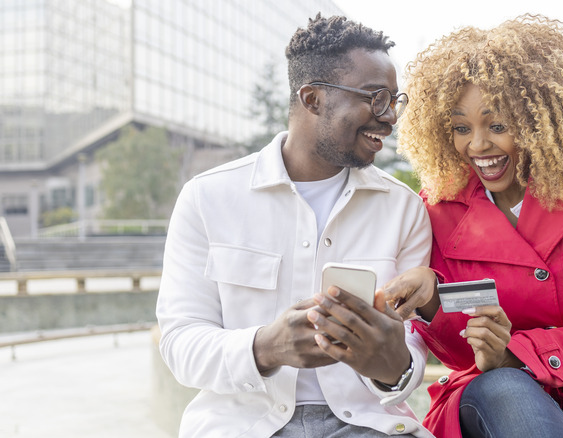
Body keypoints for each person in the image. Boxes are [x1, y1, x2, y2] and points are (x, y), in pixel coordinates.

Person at [382, 14, 563, 438]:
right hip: (489, 393)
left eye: (498, 125)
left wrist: (514, 352)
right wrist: (432, 303)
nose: (477, 145)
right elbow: (463, 356)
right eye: (462, 128)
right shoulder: (438, 206)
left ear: (539, 122)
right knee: (505, 388)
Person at [156, 14, 434, 438]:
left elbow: (410, 362)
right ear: (312, 98)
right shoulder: (207, 198)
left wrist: (391, 363)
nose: (390, 117)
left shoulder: (405, 209)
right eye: (376, 98)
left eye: (395, 101)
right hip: (240, 425)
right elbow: (179, 344)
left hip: (369, 425)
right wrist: (267, 346)